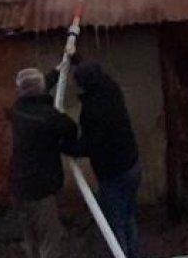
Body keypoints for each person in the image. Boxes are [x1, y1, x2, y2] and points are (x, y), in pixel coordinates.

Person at [68, 60, 142, 258]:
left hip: (114, 174)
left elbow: (92, 144)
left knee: (114, 224)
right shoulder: (111, 88)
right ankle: (132, 254)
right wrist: (76, 60)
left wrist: (67, 147)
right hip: (132, 165)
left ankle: (121, 254)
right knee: (127, 217)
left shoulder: (94, 109)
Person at [7, 67, 78, 258]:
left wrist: (57, 71)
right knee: (49, 240)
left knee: (32, 239)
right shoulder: (48, 117)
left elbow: (34, 89)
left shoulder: (16, 110)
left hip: (18, 186)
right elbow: (71, 128)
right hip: (40, 189)